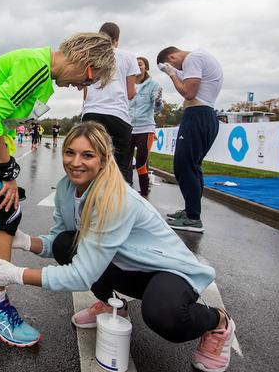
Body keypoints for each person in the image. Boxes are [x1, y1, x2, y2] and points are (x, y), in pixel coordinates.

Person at [0, 122, 236, 372]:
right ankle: (113, 305)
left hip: (167, 272)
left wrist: (16, 275)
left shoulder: (114, 199)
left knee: (164, 314)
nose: (75, 162)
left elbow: (82, 276)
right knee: (65, 244)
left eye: (88, 155)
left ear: (104, 160)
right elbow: (60, 238)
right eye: (70, 152)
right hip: (127, 267)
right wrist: (26, 241)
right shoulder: (65, 188)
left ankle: (218, 321)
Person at [0, 33, 116, 347]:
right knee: (7, 209)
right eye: (87, 79)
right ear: (85, 62)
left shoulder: (41, 74)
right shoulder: (35, 68)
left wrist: (7, 161)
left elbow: (3, 122)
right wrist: (7, 170)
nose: (80, 87)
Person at [157, 47, 223, 232]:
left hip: (198, 115)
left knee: (183, 165)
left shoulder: (192, 59)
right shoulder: (200, 57)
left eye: (172, 64)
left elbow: (188, 92)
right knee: (192, 166)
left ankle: (193, 218)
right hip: (202, 114)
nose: (178, 68)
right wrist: (174, 71)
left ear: (172, 57)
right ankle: (191, 211)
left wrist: (171, 74)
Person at [81, 22, 138, 183]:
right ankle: (121, 203)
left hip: (91, 112)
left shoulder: (89, 56)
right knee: (121, 165)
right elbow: (131, 93)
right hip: (117, 114)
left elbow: (85, 92)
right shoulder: (128, 56)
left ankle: (89, 202)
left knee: (89, 162)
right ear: (117, 39)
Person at [127, 57, 162, 197]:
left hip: (145, 128)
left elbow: (157, 109)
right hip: (128, 127)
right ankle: (124, 189)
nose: (137, 67)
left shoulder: (153, 84)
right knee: (125, 161)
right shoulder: (128, 83)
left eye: (140, 64)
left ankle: (144, 193)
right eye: (135, 65)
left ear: (146, 67)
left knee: (141, 162)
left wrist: (158, 102)